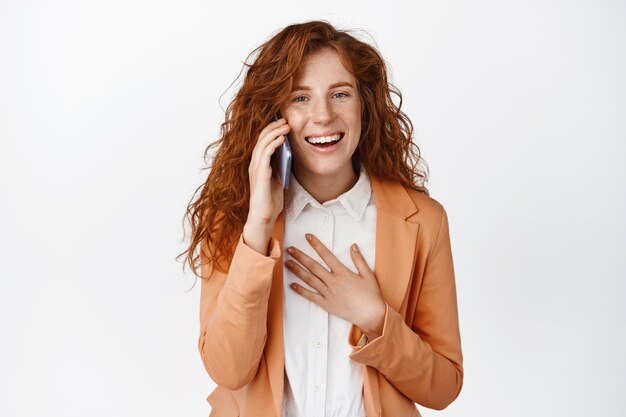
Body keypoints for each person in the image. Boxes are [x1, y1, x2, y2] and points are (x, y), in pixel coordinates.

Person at [179, 20, 463, 417]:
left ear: (365, 104)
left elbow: (444, 387)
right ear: (274, 114)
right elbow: (228, 369)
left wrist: (377, 319)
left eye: (340, 94)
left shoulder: (423, 222)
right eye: (300, 98)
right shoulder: (234, 216)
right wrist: (258, 230)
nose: (323, 115)